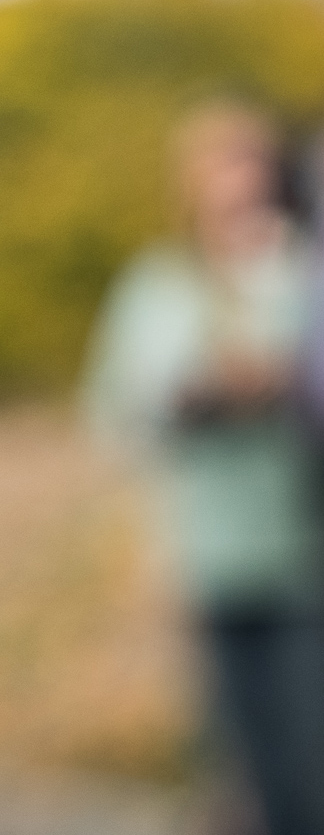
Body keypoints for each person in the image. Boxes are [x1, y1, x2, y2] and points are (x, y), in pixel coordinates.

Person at [84, 101, 324, 835]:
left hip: (303, 557)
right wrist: (191, 397)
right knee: (238, 767)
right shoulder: (161, 287)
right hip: (208, 558)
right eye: (220, 165)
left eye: (250, 162)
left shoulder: (301, 275)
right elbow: (114, 412)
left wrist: (283, 385)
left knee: (308, 768)